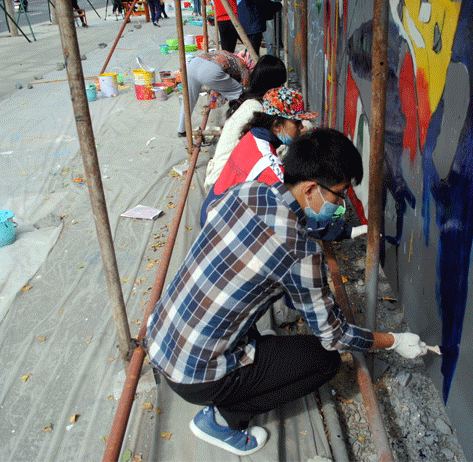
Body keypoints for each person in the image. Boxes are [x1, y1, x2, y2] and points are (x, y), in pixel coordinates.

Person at [146, 127, 427, 457]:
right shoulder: (300, 252)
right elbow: (334, 336)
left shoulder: (248, 191)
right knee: (324, 361)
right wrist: (393, 340)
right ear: (310, 189)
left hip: (161, 337)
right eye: (339, 195)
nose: (340, 205)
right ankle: (222, 420)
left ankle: (242, 360)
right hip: (197, 377)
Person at [200, 86, 313, 226]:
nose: (302, 127)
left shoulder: (252, 136)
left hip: (210, 211)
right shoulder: (269, 167)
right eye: (297, 123)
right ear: (277, 126)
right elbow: (294, 214)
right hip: (219, 226)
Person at [203, 53, 286, 190]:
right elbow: (264, 150)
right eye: (280, 85)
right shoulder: (256, 110)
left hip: (221, 176)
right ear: (272, 84)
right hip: (225, 181)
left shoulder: (247, 101)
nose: (282, 89)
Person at [176, 50, 251, 138]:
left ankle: (181, 129)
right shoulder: (243, 65)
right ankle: (239, 125)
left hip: (193, 64)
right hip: (210, 71)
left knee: (189, 99)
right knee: (239, 94)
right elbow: (245, 88)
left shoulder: (229, 56)